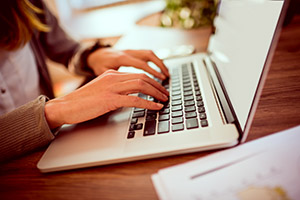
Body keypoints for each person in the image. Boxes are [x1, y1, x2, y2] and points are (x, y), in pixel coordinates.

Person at [0, 0, 169, 162]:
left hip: (53, 140)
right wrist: (54, 111)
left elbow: (67, 50)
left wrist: (92, 57)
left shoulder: (26, 3)